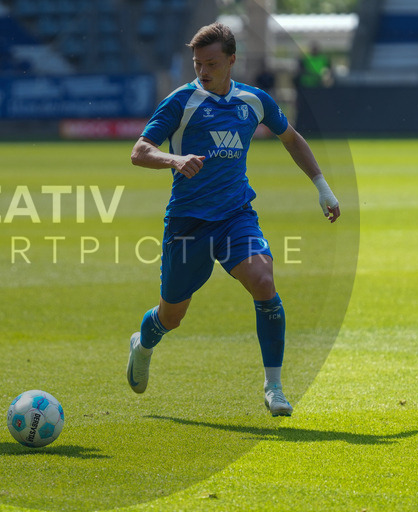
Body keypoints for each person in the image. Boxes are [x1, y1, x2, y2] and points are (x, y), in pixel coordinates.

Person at [125, 22, 341, 417]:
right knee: (171, 316)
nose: (202, 71)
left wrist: (322, 187)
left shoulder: (254, 101)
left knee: (263, 281)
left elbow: (291, 137)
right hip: (188, 223)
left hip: (236, 215)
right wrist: (174, 159)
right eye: (197, 64)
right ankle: (143, 344)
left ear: (231, 61)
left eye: (210, 63)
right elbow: (139, 151)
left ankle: (273, 387)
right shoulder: (181, 101)